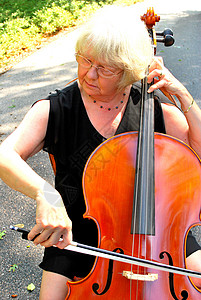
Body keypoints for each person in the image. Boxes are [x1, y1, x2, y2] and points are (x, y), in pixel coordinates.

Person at [0, 5, 201, 299]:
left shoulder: (154, 109)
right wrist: (47, 194)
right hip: (76, 237)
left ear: (129, 70)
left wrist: (184, 97)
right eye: (85, 60)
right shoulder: (56, 110)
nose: (89, 74)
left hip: (161, 238)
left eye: (105, 68)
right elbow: (5, 156)